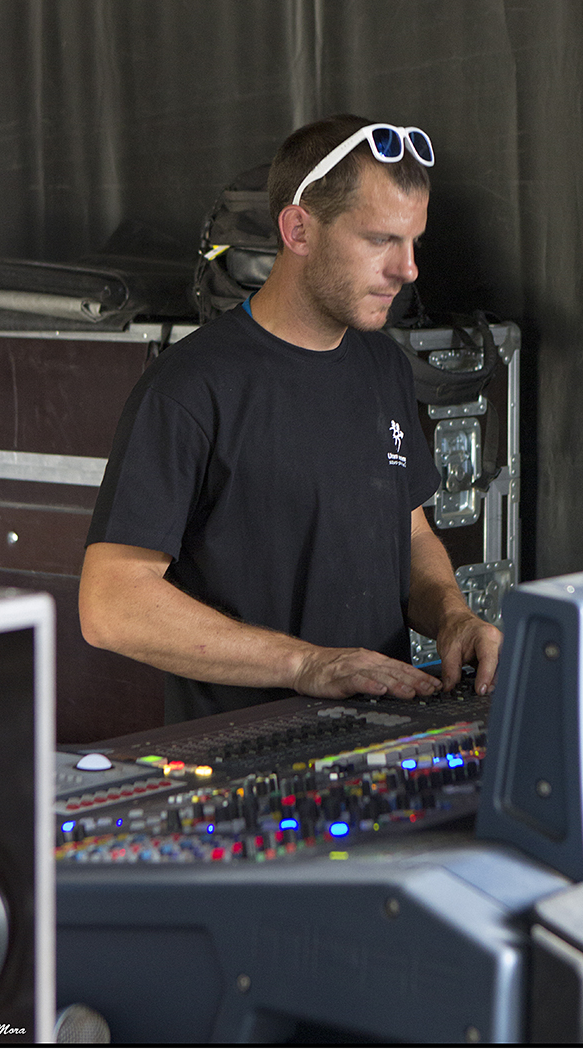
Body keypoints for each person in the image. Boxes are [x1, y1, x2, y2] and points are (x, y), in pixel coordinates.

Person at [79, 114, 502, 721]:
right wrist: (306, 665)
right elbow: (110, 605)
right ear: (298, 230)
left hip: (378, 736)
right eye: (380, 240)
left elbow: (407, 532)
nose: (408, 269)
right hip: (243, 754)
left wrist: (452, 616)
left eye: (414, 242)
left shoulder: (383, 365)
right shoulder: (190, 387)